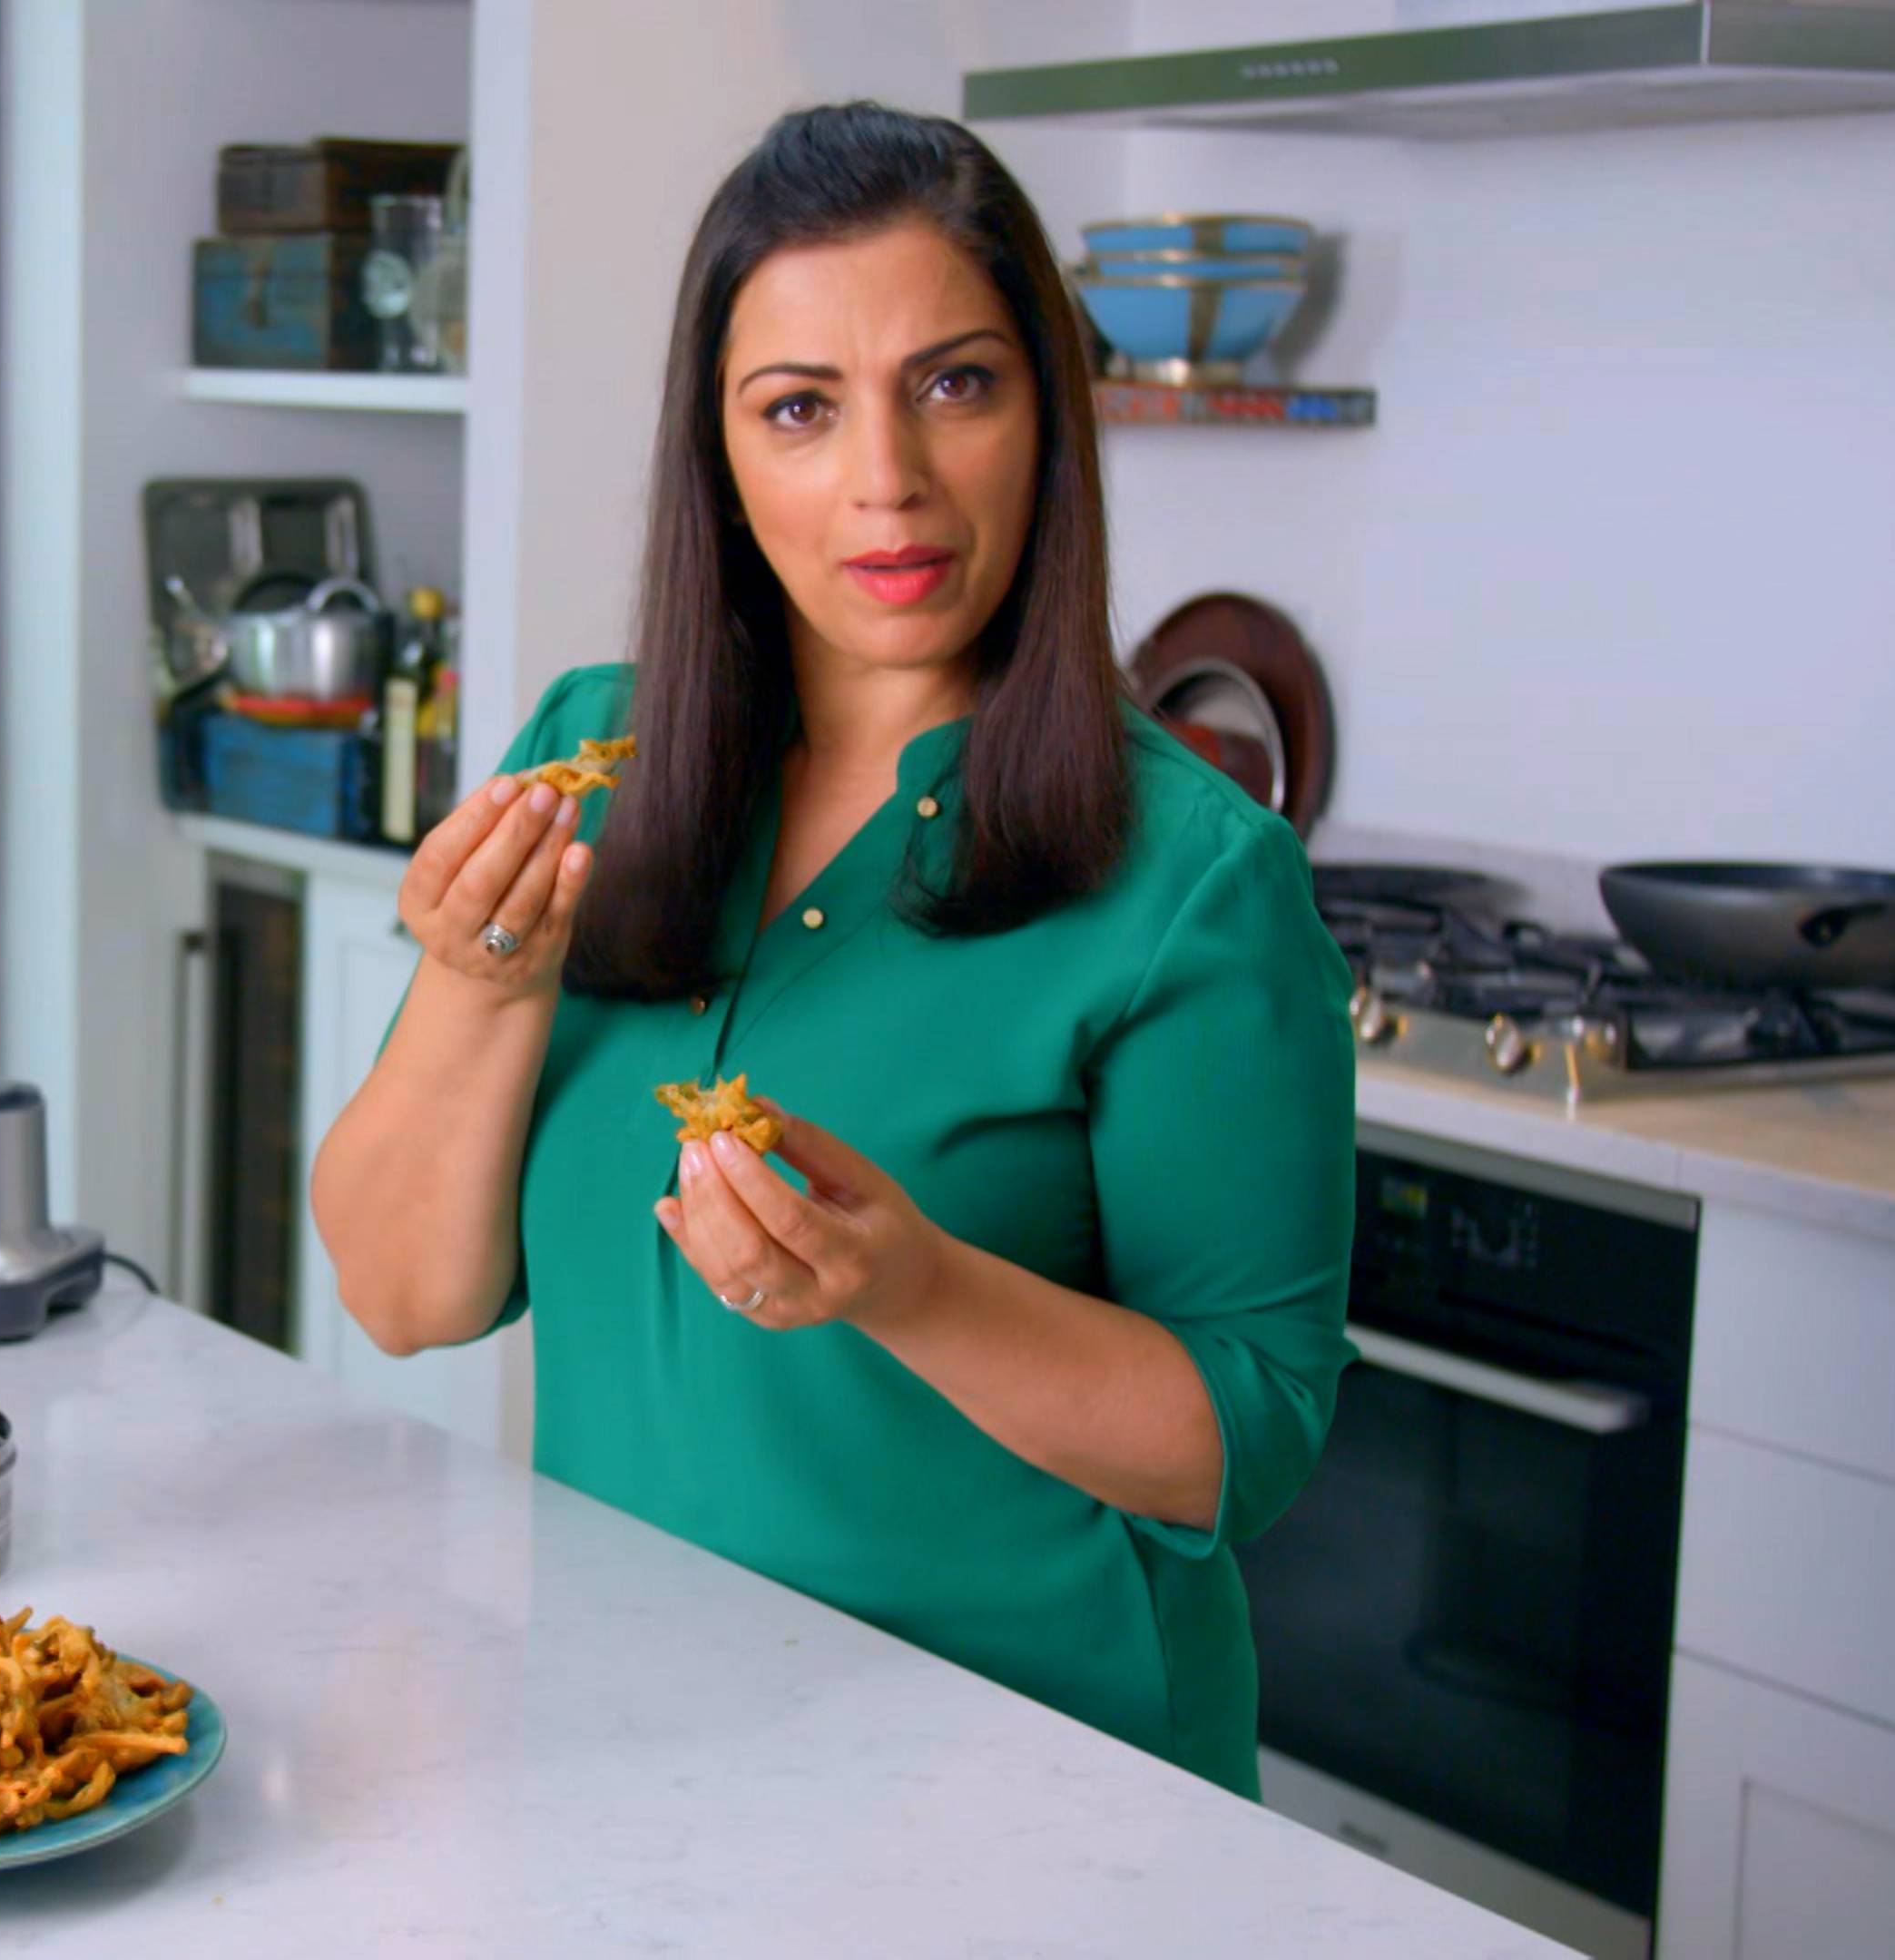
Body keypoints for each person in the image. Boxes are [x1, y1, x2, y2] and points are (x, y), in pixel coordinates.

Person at [309, 102, 1353, 1797]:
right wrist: (482, 979)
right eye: (800, 409)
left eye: (956, 384)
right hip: (624, 1750)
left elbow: (1246, 1441)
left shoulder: (1196, 878)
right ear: (722, 454)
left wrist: (914, 1289)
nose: (888, 480)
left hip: (1035, 1805)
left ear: (1048, 417)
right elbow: (406, 1294)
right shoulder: (600, 756)